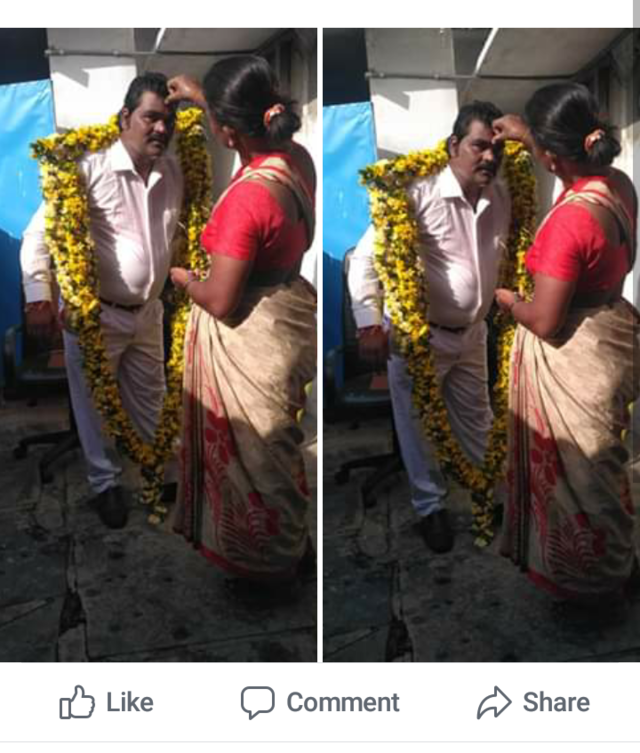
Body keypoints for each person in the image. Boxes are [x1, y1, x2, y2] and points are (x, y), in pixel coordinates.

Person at [167, 55, 317, 583]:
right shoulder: (296, 158)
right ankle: (292, 545)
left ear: (227, 132)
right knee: (277, 448)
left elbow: (221, 300)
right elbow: (252, 135)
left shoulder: (247, 200)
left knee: (253, 456)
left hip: (252, 334)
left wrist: (185, 279)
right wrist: (205, 99)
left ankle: (266, 564)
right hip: (289, 310)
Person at [493, 82, 639, 601]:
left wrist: (510, 301)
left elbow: (546, 320)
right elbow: (565, 158)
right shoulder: (618, 184)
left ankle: (592, 580)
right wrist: (529, 135)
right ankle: (616, 559)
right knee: (603, 464)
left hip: (576, 351)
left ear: (553, 158)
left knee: (580, 474)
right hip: (612, 326)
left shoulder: (569, 222)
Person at [21, 72, 183, 529]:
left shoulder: (174, 170)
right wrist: (38, 297)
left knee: (152, 399)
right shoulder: (88, 167)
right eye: (151, 117)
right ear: (125, 117)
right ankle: (104, 484)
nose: (161, 128)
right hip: (97, 316)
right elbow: (37, 236)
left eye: (168, 120)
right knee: (93, 406)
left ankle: (160, 472)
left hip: (149, 312)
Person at [348, 102, 510, 553]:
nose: (489, 157)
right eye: (479, 146)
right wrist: (368, 323)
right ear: (454, 145)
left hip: (473, 334)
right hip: (421, 338)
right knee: (418, 428)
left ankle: (489, 495)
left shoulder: (501, 195)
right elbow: (364, 260)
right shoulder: (417, 193)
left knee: (479, 420)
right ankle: (430, 508)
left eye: (497, 149)